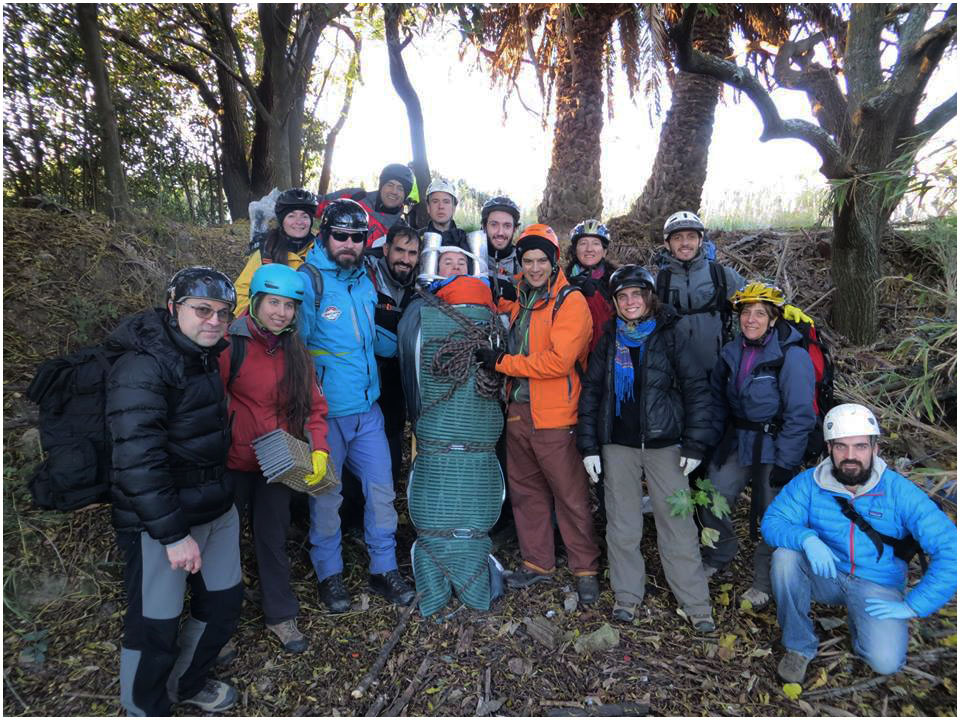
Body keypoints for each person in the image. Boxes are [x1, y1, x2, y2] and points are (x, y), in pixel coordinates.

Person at [106, 267, 241, 715]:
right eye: (202, 310)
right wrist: (172, 534)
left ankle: (186, 683)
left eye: (223, 312)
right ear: (173, 307)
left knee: (223, 603)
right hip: (160, 523)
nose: (214, 321)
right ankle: (144, 706)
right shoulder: (142, 366)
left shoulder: (202, 356)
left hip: (214, 506)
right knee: (155, 625)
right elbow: (135, 459)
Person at [762, 403, 957, 683]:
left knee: (886, 662)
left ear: (875, 448)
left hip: (876, 583)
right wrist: (806, 538)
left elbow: (951, 549)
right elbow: (773, 522)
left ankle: (863, 623)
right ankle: (798, 647)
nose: (850, 456)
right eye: (841, 447)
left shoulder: (899, 492)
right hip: (827, 572)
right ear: (829, 449)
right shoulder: (810, 483)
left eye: (860, 447)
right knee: (785, 557)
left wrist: (914, 606)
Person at [577, 265, 716, 630]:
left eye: (636, 294)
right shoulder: (609, 339)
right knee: (622, 525)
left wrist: (695, 444)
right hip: (618, 445)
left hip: (665, 444)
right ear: (615, 303)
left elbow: (696, 390)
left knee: (678, 525)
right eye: (623, 296)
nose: (630, 301)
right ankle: (627, 597)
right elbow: (592, 393)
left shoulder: (670, 335)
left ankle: (696, 604)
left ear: (649, 298)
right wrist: (589, 446)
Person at [474, 224, 601, 605]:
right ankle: (537, 562)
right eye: (527, 261)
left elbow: (559, 361)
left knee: (570, 494)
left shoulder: (569, 301)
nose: (533, 268)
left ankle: (585, 567)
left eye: (541, 260)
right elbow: (498, 309)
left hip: (557, 415)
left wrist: (503, 364)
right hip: (519, 410)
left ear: (554, 261)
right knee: (526, 492)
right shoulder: (522, 297)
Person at [299, 198, 415, 612]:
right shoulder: (308, 283)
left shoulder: (363, 279)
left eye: (357, 237)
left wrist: (413, 342)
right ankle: (329, 575)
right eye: (341, 236)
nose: (349, 243)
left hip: (368, 411)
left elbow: (370, 337)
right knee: (327, 498)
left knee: (381, 492)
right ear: (325, 236)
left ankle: (383, 568)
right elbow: (295, 352)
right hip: (325, 416)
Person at [218, 264, 330, 654]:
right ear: (257, 302)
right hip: (231, 462)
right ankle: (219, 624)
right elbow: (207, 402)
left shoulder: (296, 350)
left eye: (289, 305)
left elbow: (315, 407)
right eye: (274, 303)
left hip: (277, 462)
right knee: (223, 544)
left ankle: (280, 615)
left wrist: (318, 448)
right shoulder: (229, 344)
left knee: (272, 538)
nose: (281, 312)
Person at [698, 281, 816, 609]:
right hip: (740, 439)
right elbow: (719, 401)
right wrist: (710, 443)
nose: (751, 319)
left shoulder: (792, 357)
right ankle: (720, 552)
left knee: (773, 512)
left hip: (776, 442)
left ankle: (763, 580)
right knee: (713, 493)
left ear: (774, 318)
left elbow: (801, 414)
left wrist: (786, 463)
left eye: (760, 313)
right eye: (746, 313)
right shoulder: (732, 351)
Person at [655, 211, 745, 381]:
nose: (685, 243)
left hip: (716, 373)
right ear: (667, 244)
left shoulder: (721, 275)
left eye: (691, 236)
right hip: (676, 376)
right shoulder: (660, 281)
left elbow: (756, 300)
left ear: (700, 240)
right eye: (677, 238)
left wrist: (785, 309)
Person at [365, 222, 421, 481]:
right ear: (386, 249)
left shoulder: (422, 283)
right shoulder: (366, 274)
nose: (405, 260)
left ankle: (385, 494)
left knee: (393, 432)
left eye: (412, 254)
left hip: (399, 374)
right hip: (366, 369)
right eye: (399, 251)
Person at [235, 188, 318, 316]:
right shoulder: (267, 252)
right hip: (276, 325)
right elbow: (241, 292)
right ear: (281, 221)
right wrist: (255, 320)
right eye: (291, 216)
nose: (299, 221)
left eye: (304, 216)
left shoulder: (320, 252)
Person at [318, 163, 414, 247]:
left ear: (405, 195)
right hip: (319, 259)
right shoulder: (356, 196)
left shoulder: (401, 230)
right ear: (381, 186)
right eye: (390, 185)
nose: (394, 191)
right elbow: (317, 204)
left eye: (400, 188)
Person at [565, 219, 618, 354]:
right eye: (583, 243)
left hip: (605, 351)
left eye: (596, 243)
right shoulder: (563, 280)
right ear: (575, 249)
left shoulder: (616, 280)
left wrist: (596, 295)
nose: (589, 249)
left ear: (604, 251)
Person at [481, 195, 522, 286]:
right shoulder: (471, 259)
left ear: (514, 229)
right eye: (494, 224)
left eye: (507, 226)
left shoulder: (523, 262)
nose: (500, 232)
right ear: (484, 227)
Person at [420, 179, 468, 248]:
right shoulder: (417, 238)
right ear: (428, 207)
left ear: (454, 207)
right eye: (435, 201)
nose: (441, 206)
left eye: (446, 202)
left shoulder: (465, 239)